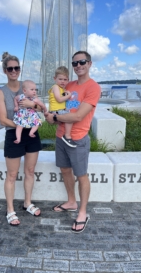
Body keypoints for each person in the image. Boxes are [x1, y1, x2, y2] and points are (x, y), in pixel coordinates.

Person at [45, 51, 101, 233]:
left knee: (81, 175)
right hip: (61, 136)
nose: (78, 66)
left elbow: (78, 115)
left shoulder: (93, 88)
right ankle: (71, 202)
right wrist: (49, 115)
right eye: (75, 63)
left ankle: (83, 212)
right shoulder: (67, 84)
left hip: (77, 139)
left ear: (89, 63)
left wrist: (54, 116)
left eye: (82, 62)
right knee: (65, 170)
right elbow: (56, 105)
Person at [0, 52, 42, 226]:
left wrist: (33, 105)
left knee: (30, 171)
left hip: (31, 134)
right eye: (10, 69)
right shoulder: (1, 92)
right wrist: (22, 125)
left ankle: (27, 203)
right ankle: (10, 209)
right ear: (5, 71)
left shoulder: (28, 86)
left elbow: (40, 107)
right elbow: (2, 119)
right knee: (12, 174)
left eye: (16, 68)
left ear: (19, 70)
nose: (13, 71)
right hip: (14, 133)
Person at [48, 66, 76, 147]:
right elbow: (59, 99)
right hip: (56, 110)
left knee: (67, 114)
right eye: (60, 79)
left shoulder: (61, 89)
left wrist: (65, 93)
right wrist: (69, 95)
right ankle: (67, 136)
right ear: (55, 78)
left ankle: (65, 134)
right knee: (70, 118)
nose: (63, 82)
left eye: (65, 79)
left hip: (58, 110)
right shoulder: (56, 87)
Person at [13, 79, 47, 144]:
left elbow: (42, 106)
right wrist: (16, 106)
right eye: (32, 90)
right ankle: (18, 138)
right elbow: (15, 98)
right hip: (22, 115)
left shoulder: (35, 99)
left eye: (35, 90)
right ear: (24, 90)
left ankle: (31, 132)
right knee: (19, 126)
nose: (34, 91)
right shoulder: (20, 96)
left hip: (32, 115)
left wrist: (45, 111)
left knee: (37, 123)